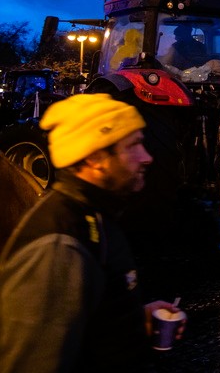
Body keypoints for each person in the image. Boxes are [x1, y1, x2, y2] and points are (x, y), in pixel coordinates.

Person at [0, 93, 186, 372]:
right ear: (96, 158)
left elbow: (83, 319)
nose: (147, 157)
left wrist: (133, 319)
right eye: (133, 145)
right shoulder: (58, 245)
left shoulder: (95, 215)